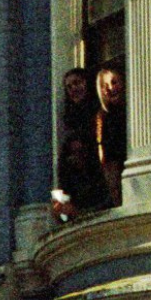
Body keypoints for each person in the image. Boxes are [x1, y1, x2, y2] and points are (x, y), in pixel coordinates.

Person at [53, 66, 112, 218]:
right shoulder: (70, 121)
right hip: (79, 189)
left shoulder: (100, 115)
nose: (73, 89)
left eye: (77, 83)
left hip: (99, 182)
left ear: (87, 83)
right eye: (69, 86)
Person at [93, 62, 127, 207]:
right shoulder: (103, 117)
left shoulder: (129, 112)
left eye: (114, 82)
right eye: (104, 85)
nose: (110, 88)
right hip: (113, 165)